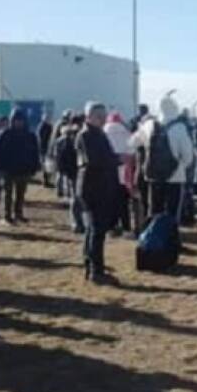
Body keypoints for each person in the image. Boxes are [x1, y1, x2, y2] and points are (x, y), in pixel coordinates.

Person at [76, 103, 119, 283]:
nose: (103, 119)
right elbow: (95, 161)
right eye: (98, 115)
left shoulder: (98, 133)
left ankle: (90, 265)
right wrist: (117, 160)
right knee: (97, 230)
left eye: (104, 115)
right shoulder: (86, 135)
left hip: (97, 186)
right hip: (92, 188)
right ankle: (96, 271)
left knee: (92, 229)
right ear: (89, 116)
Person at [134, 95, 195, 220]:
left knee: (155, 209)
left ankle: (154, 235)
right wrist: (182, 167)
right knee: (172, 211)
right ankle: (170, 236)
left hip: (153, 175)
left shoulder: (149, 125)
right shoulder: (180, 128)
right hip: (175, 176)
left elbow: (133, 143)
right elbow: (188, 155)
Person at [0, 108, 40, 225]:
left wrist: (34, 167)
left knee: (21, 194)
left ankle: (18, 214)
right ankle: (7, 216)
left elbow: (35, 152)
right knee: (7, 194)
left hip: (23, 169)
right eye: (16, 120)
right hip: (7, 169)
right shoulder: (4, 133)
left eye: (20, 120)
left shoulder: (30, 135)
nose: (18, 123)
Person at [103, 112, 133, 233]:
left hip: (108, 170)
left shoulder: (104, 131)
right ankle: (126, 225)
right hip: (123, 169)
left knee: (109, 200)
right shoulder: (126, 132)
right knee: (123, 200)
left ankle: (111, 226)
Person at [55, 114, 85, 233]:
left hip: (71, 172)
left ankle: (77, 223)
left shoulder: (64, 137)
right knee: (78, 198)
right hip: (77, 170)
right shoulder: (78, 136)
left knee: (75, 198)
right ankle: (78, 223)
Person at [37, 114, 54, 188]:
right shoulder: (42, 126)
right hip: (44, 149)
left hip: (48, 148)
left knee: (48, 166)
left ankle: (47, 181)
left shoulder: (50, 126)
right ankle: (45, 181)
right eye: (47, 118)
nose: (48, 119)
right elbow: (41, 138)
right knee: (45, 166)